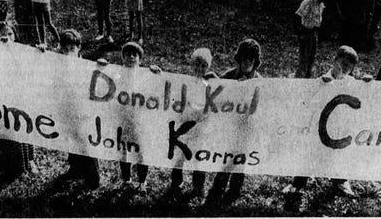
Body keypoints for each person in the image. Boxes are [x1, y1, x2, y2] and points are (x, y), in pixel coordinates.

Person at [283, 45, 371, 205]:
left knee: (339, 155)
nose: (345, 69)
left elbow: (365, 98)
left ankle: (341, 181)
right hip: (320, 129)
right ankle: (297, 184)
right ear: (335, 60)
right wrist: (321, 86)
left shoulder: (352, 83)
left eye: (349, 67)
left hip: (340, 129)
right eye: (343, 63)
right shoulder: (322, 80)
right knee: (311, 155)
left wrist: (368, 83)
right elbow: (308, 102)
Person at [98, 42, 161, 192]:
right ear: (123, 58)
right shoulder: (117, 73)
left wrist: (157, 73)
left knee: (142, 152)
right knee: (123, 151)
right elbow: (104, 81)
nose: (131, 57)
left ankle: (142, 182)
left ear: (140, 59)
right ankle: (126, 179)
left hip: (140, 121)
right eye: (128, 54)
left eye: (135, 54)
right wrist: (102, 67)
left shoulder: (145, 74)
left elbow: (157, 89)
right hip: (122, 119)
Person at [207, 39, 263, 205]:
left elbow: (261, 106)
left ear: (255, 61)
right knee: (227, 157)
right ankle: (218, 188)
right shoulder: (230, 75)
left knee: (240, 161)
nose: (247, 62)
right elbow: (218, 92)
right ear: (239, 59)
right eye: (245, 58)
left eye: (251, 59)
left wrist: (248, 90)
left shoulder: (259, 81)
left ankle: (234, 190)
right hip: (230, 126)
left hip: (247, 126)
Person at [169, 48, 219, 198]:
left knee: (198, 157)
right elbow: (181, 101)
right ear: (192, 65)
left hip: (200, 125)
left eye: (203, 66)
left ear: (208, 67)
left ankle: (198, 186)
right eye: (196, 65)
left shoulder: (209, 84)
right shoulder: (186, 83)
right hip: (185, 124)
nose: (199, 69)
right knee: (180, 155)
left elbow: (213, 101)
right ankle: (176, 182)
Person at [0, 22, 37, 176]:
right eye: (2, 34)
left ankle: (28, 161)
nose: (6, 37)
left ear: (16, 36)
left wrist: (41, 52)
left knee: (21, 129)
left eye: (10, 34)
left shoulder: (22, 53)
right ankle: (2, 164)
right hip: (1, 99)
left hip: (19, 99)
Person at [63, 29, 100, 189]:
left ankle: (93, 177)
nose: (67, 53)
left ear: (79, 48)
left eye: (71, 49)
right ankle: (75, 168)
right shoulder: (59, 63)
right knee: (72, 139)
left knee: (85, 142)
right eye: (64, 50)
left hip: (84, 110)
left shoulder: (87, 66)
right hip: (68, 108)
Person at [294, 0, 334, 78]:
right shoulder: (309, 1)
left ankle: (308, 80)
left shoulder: (320, 1)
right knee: (303, 62)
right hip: (305, 33)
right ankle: (299, 82)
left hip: (313, 33)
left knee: (311, 61)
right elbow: (296, 17)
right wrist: (300, 35)